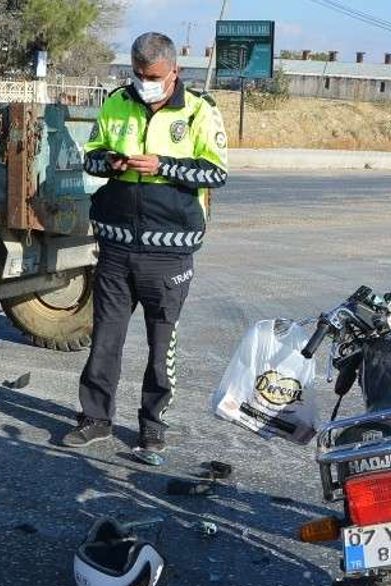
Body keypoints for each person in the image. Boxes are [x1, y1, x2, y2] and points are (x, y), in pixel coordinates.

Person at [61, 31, 229, 457]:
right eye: (138, 74)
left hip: (169, 251)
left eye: (152, 76)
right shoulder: (117, 102)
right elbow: (90, 157)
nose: (144, 82)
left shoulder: (199, 110)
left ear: (174, 71)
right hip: (116, 246)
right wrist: (111, 163)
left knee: (161, 345)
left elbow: (215, 172)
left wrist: (163, 165)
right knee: (105, 338)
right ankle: (95, 418)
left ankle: (153, 426)